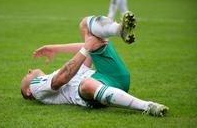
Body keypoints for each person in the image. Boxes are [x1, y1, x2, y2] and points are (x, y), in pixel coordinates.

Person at [21, 12, 169, 117]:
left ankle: (119, 30)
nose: (29, 70)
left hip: (112, 77)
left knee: (85, 24)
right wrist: (86, 48)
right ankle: (147, 106)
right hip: (94, 92)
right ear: (28, 92)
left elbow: (86, 47)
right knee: (86, 84)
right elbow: (62, 78)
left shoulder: (53, 77)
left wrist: (55, 48)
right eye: (26, 75)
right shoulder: (37, 88)